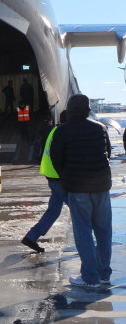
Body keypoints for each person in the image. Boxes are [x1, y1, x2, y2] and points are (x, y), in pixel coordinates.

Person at [50, 94, 112, 287]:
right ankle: (103, 274)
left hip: (78, 189)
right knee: (104, 232)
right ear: (87, 109)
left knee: (83, 232)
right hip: (102, 187)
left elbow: (56, 159)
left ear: (69, 110)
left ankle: (89, 277)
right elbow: (107, 153)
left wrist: (67, 179)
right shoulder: (100, 129)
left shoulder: (62, 132)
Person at [21, 114, 65, 253]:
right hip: (59, 177)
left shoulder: (54, 131)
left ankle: (31, 237)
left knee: (53, 211)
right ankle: (87, 242)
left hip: (52, 175)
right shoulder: (62, 133)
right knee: (79, 210)